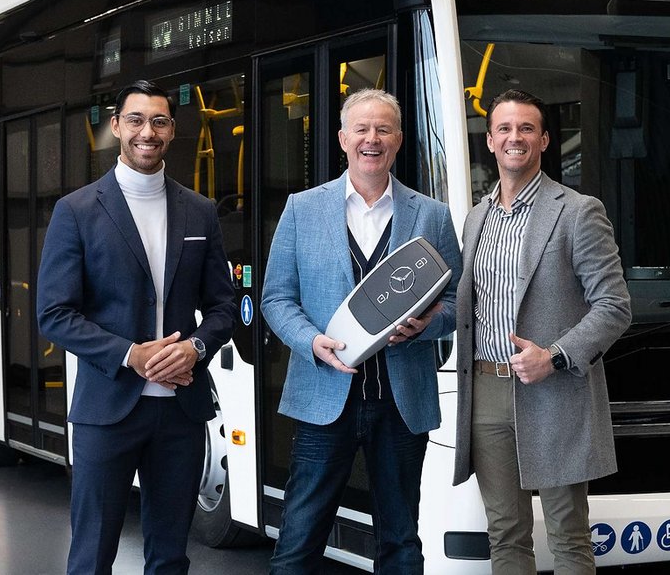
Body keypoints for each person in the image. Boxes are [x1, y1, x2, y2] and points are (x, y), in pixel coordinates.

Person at [37, 79, 238, 575]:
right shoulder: (77, 211)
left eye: (159, 121)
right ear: (116, 127)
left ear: (172, 131)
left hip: (181, 415)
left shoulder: (200, 211)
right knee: (92, 555)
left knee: (170, 556)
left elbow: (223, 307)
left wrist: (194, 347)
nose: (147, 131)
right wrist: (132, 355)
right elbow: (54, 314)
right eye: (136, 120)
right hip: (107, 411)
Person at [263, 89, 462, 574]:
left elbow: (459, 300)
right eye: (361, 129)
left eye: (383, 130)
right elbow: (276, 299)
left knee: (399, 541)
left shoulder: (430, 215)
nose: (371, 139)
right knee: (299, 540)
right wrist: (311, 341)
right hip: (323, 399)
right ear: (342, 139)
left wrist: (427, 325)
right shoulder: (302, 208)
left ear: (398, 140)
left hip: (401, 403)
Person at [451, 89, 632, 575]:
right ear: (489, 141)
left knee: (568, 537)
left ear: (545, 140)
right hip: (486, 391)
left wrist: (553, 356)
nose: (515, 138)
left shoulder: (577, 211)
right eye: (505, 129)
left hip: (553, 388)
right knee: (505, 535)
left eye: (526, 128)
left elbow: (615, 306)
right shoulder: (475, 218)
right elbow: (469, 308)